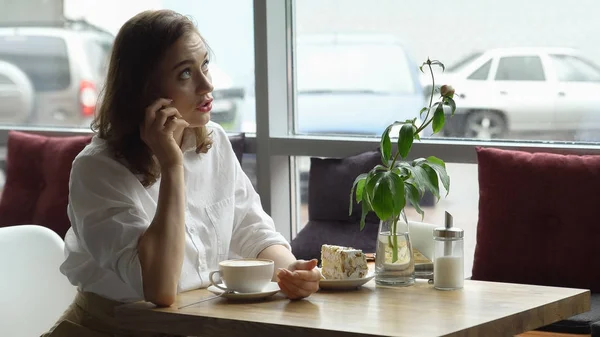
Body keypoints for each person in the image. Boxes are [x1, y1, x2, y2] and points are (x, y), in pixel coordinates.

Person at [42, 9, 320, 337]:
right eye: (185, 74)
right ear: (144, 90)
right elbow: (160, 288)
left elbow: (250, 230)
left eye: (204, 64)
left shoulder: (213, 141)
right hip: (108, 329)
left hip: (197, 325)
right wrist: (172, 166)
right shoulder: (97, 169)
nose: (207, 84)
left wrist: (291, 271)